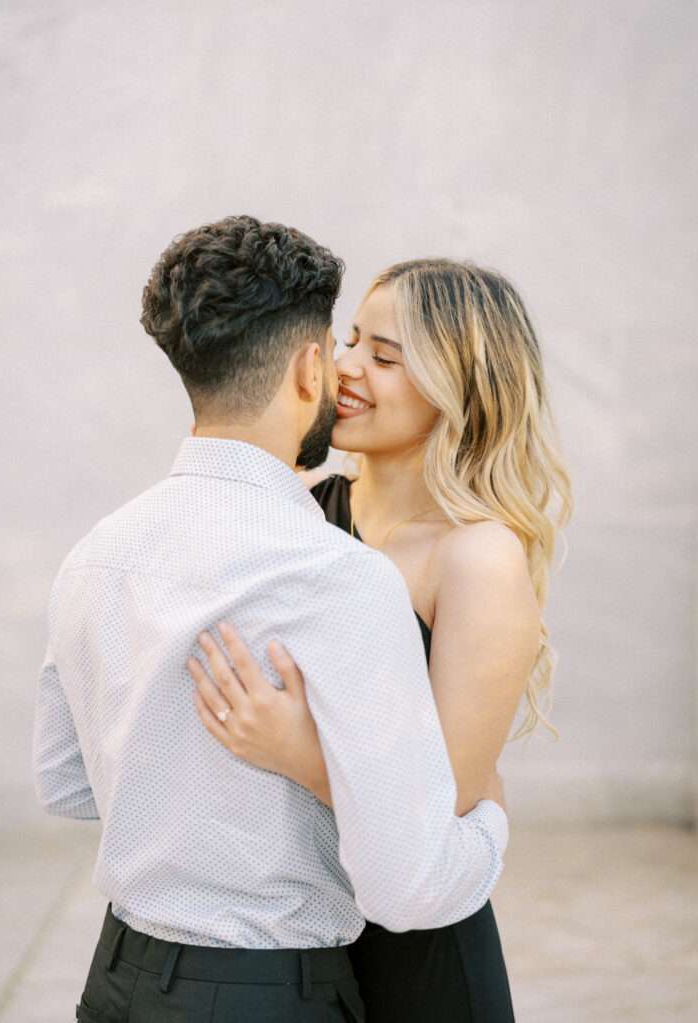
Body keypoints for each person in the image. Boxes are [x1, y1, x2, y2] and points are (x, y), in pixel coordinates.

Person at [31, 217, 509, 1023]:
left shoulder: (96, 553)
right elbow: (409, 880)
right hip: (264, 992)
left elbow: (65, 782)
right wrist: (491, 821)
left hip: (115, 980)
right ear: (308, 364)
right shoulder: (342, 577)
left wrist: (177, 783)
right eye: (345, 344)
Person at [187, 257, 573, 1021]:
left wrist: (295, 749)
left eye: (386, 356)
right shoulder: (292, 511)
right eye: (352, 339)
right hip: (287, 939)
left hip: (415, 955)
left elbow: (437, 819)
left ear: (461, 385)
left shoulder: (476, 558)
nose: (347, 365)